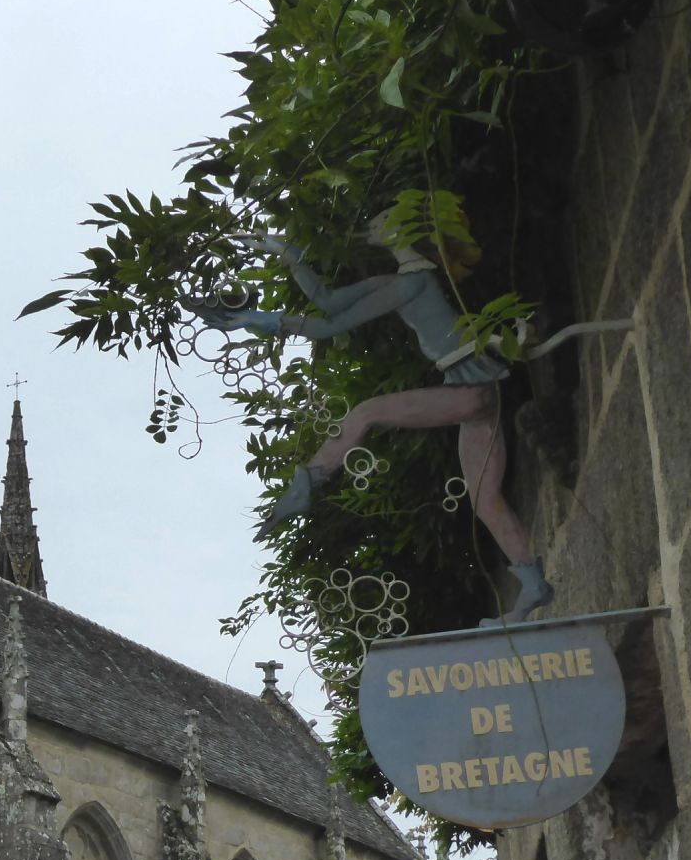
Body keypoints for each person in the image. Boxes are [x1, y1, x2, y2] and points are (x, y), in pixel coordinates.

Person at [193, 217, 554, 624]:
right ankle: (533, 584)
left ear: (403, 231)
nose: (373, 227)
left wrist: (259, 319)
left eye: (384, 222)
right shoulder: (407, 279)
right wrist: (291, 257)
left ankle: (310, 479)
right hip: (475, 390)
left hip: (471, 393)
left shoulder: (411, 283)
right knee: (484, 500)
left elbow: (330, 324)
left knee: (367, 411)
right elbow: (328, 302)